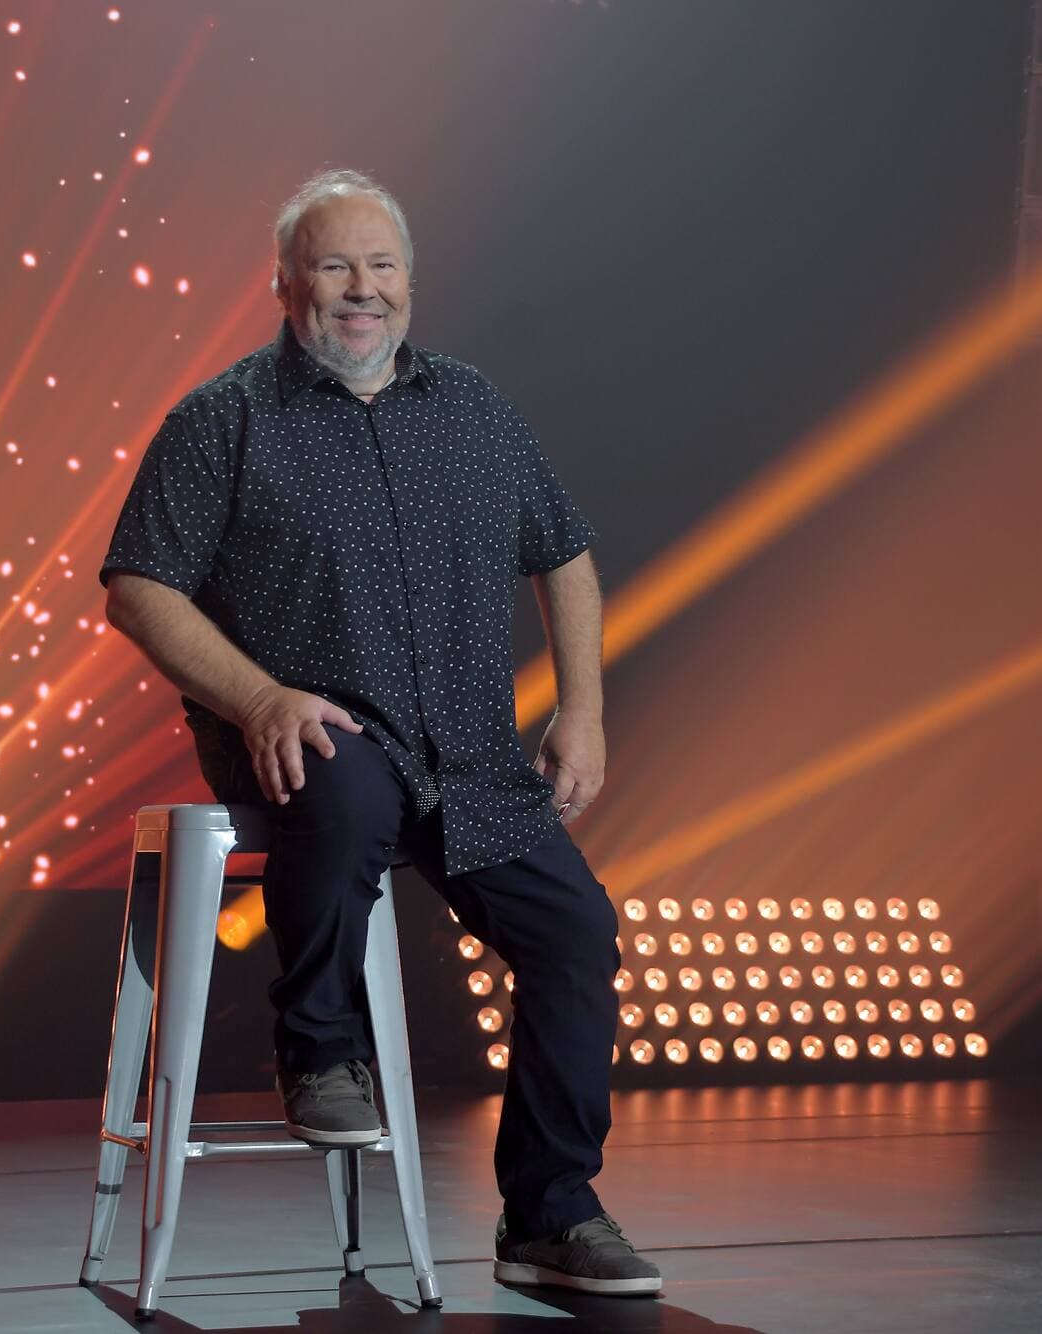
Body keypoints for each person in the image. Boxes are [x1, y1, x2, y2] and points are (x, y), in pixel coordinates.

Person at [99, 168, 659, 1297]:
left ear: (410, 282)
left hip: (465, 748)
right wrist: (257, 696)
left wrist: (584, 711)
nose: (363, 290)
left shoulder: (474, 407)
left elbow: (567, 557)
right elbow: (139, 586)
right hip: (310, 726)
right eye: (334, 266)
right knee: (345, 781)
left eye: (382, 265)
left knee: (575, 934)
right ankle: (316, 1048)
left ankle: (549, 1213)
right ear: (284, 284)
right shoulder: (224, 419)